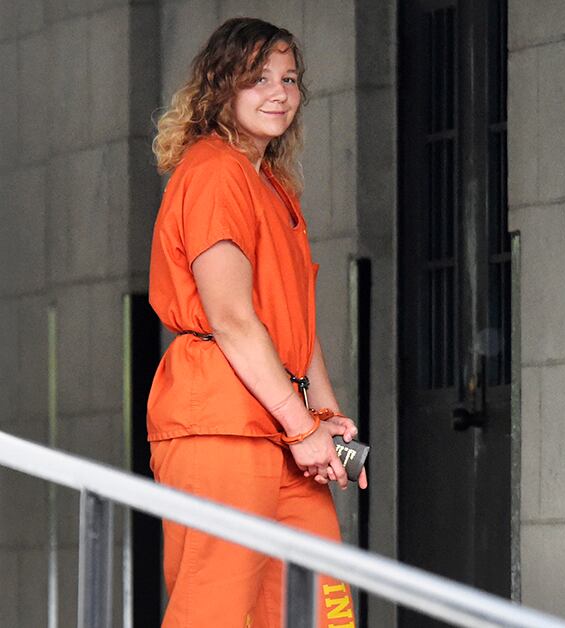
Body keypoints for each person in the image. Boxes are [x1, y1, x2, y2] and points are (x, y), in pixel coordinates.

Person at [146, 17, 364, 627]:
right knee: (214, 613)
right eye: (258, 79)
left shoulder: (270, 183)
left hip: (284, 427)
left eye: (289, 79)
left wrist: (324, 419)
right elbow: (233, 319)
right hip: (222, 426)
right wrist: (302, 426)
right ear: (221, 87)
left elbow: (296, 322)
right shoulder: (214, 171)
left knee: (326, 610)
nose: (279, 93)